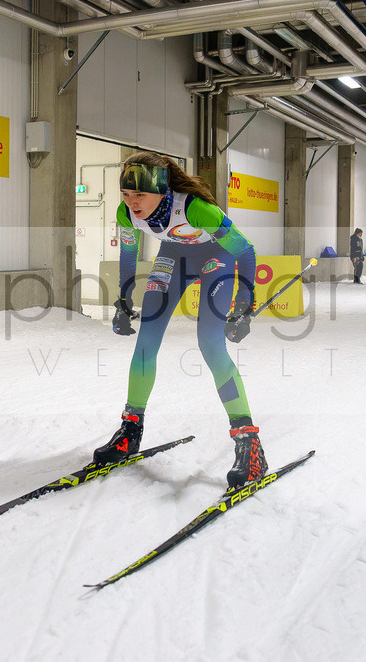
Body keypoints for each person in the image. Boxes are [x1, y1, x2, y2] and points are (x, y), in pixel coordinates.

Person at [93, 152, 266, 490]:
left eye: (139, 195)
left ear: (162, 189)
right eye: (126, 195)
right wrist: (124, 299)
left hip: (217, 257)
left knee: (210, 345)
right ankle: (130, 430)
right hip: (173, 257)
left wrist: (245, 305)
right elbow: (128, 254)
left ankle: (249, 444)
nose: (132, 203)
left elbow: (244, 251)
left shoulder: (196, 209)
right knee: (146, 341)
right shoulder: (126, 213)